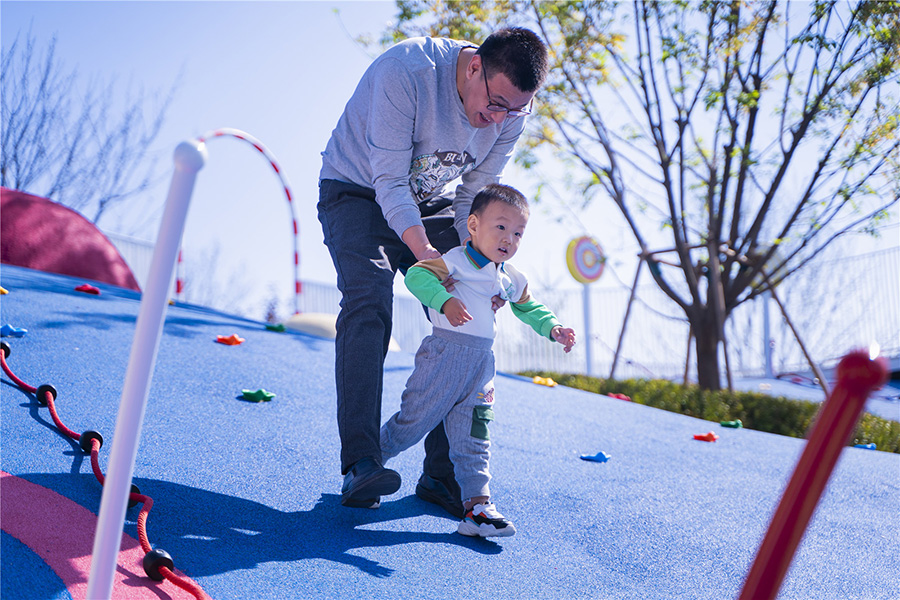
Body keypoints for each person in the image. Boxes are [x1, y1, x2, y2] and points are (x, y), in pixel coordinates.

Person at [317, 28, 549, 514]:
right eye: (496, 103)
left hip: (430, 203)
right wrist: (429, 259)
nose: (498, 118)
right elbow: (389, 180)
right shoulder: (407, 72)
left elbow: (476, 198)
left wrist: (473, 269)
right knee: (368, 302)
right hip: (356, 191)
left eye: (514, 110)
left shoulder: (510, 113)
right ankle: (362, 462)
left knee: (465, 311)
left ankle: (440, 475)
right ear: (473, 68)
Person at [379, 183, 576, 537]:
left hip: (482, 366)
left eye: (518, 233)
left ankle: (478, 508)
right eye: (500, 227)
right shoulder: (454, 260)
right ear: (473, 226)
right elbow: (417, 275)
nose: (508, 239)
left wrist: (554, 328)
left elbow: (529, 307)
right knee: (413, 421)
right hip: (444, 357)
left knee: (476, 435)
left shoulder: (511, 278)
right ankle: (370, 466)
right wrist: (444, 300)